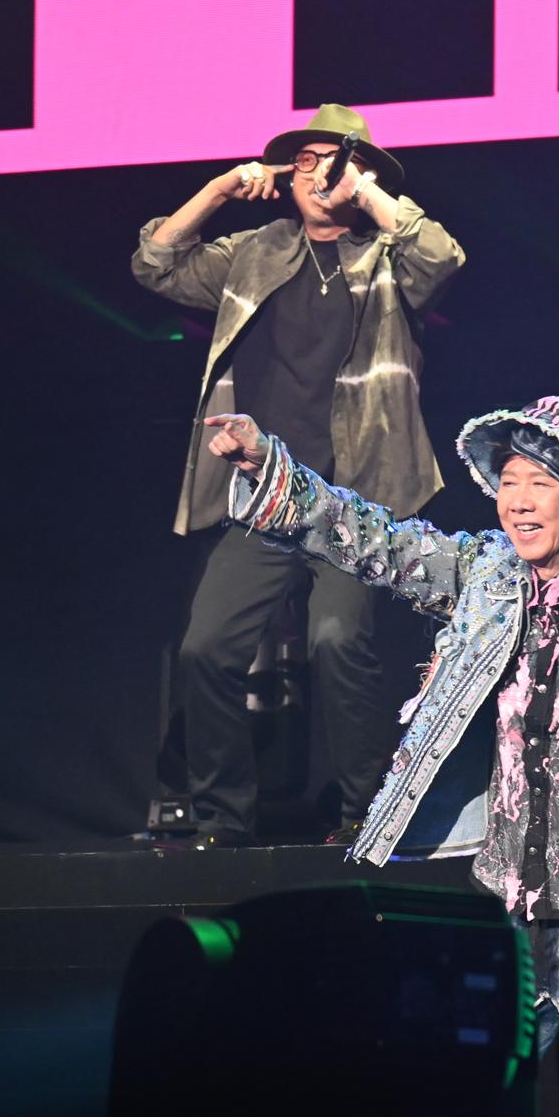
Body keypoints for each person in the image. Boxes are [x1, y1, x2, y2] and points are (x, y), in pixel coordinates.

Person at [203, 395, 559, 1052]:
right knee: (501, 1084)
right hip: (507, 894)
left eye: (541, 484)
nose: (519, 502)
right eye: (509, 482)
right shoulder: (484, 574)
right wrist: (268, 466)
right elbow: (376, 539)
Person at [132, 105, 466, 848]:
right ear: (284, 176)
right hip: (265, 496)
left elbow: (442, 258)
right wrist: (221, 190)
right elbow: (155, 262)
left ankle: (363, 814)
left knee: (337, 642)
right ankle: (223, 818)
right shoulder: (255, 252)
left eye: (339, 162)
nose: (321, 175)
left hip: (354, 503)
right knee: (206, 649)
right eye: (307, 161)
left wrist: (366, 192)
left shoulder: (385, 259)